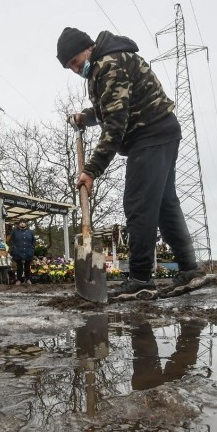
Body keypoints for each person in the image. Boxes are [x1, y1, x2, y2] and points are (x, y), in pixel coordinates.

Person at [56, 27, 205, 301]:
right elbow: (111, 108)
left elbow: (115, 125)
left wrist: (91, 170)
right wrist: (85, 118)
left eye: (75, 62)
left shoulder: (109, 64)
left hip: (150, 134)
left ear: (87, 48)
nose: (75, 70)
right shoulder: (106, 62)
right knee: (163, 204)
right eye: (70, 68)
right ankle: (190, 269)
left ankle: (140, 279)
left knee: (138, 204)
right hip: (161, 131)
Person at [8, 220, 36, 285]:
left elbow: (33, 241)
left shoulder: (30, 232)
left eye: (24, 222)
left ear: (26, 224)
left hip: (28, 251)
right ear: (19, 224)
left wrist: (32, 249)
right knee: (19, 266)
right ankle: (19, 280)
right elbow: (11, 241)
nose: (22, 224)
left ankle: (27, 279)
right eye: (21, 222)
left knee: (27, 266)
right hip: (18, 251)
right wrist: (13, 249)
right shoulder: (15, 232)